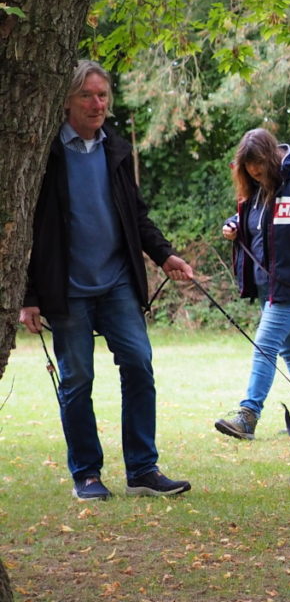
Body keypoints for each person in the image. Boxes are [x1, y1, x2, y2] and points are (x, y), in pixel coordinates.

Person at [19, 59, 193, 501]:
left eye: (102, 95)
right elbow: (30, 229)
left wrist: (165, 255)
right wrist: (29, 296)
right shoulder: (46, 154)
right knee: (77, 381)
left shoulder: (115, 148)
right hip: (67, 290)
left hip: (117, 284)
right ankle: (87, 475)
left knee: (139, 365)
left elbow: (136, 215)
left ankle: (143, 469)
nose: (97, 104)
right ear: (66, 101)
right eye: (87, 95)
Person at [214, 128, 290, 439]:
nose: (254, 170)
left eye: (258, 163)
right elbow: (258, 226)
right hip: (265, 286)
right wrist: (234, 225)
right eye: (248, 165)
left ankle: (248, 415)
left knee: (265, 345)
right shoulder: (256, 191)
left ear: (270, 157)